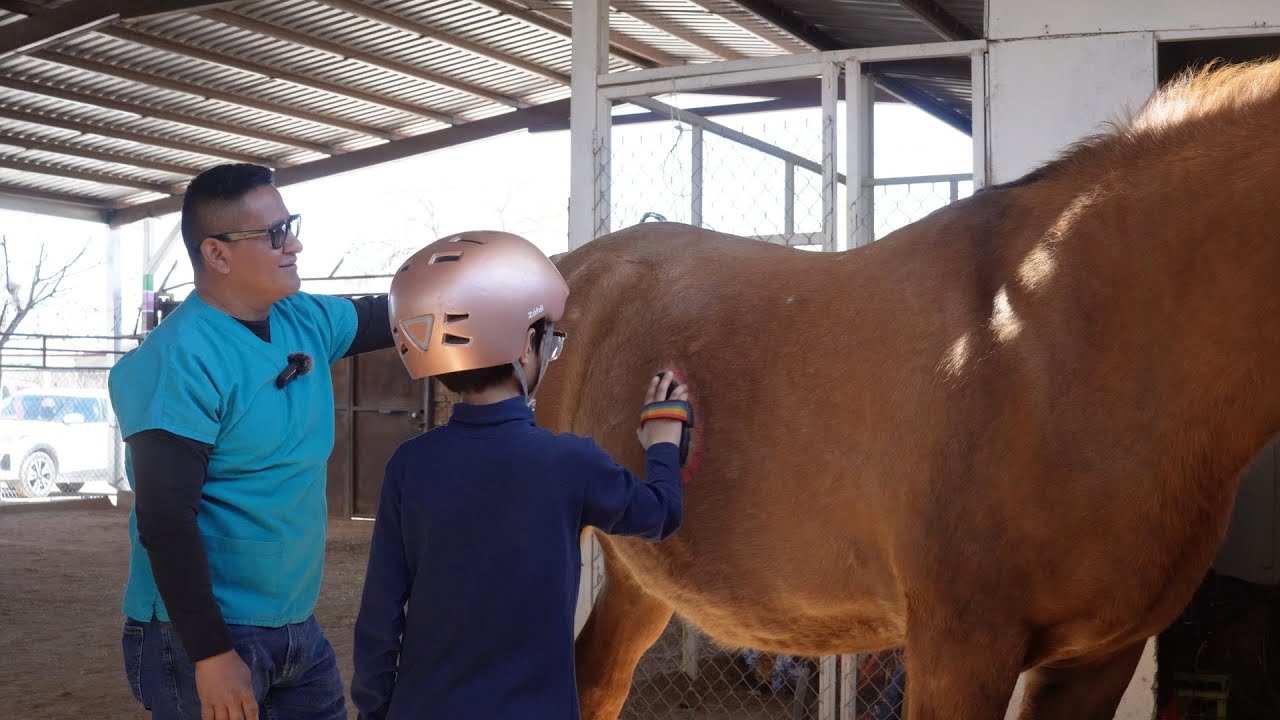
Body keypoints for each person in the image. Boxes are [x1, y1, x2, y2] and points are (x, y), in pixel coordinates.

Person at [350, 230, 691, 720]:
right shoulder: (571, 463)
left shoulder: (410, 464)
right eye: (549, 342)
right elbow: (660, 516)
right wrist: (662, 440)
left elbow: (380, 617)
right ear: (525, 346)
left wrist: (375, 709)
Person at [109, 163, 395, 720]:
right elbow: (166, 519)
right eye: (274, 234)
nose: (295, 244)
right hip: (198, 634)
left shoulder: (302, 317)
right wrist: (211, 653)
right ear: (216, 254)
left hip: (293, 624)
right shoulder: (180, 360)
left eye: (290, 225)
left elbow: (398, 315)